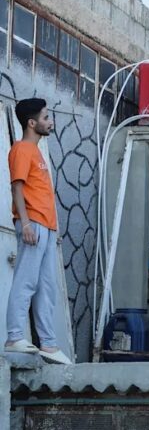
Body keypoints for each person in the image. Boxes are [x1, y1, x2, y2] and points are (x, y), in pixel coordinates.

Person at [5, 99, 72, 365]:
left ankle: (49, 344)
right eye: (46, 117)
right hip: (32, 223)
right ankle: (14, 336)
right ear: (32, 123)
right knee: (27, 280)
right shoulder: (22, 149)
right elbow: (17, 188)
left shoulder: (36, 151)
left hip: (46, 226)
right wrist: (26, 223)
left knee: (47, 286)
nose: (50, 121)